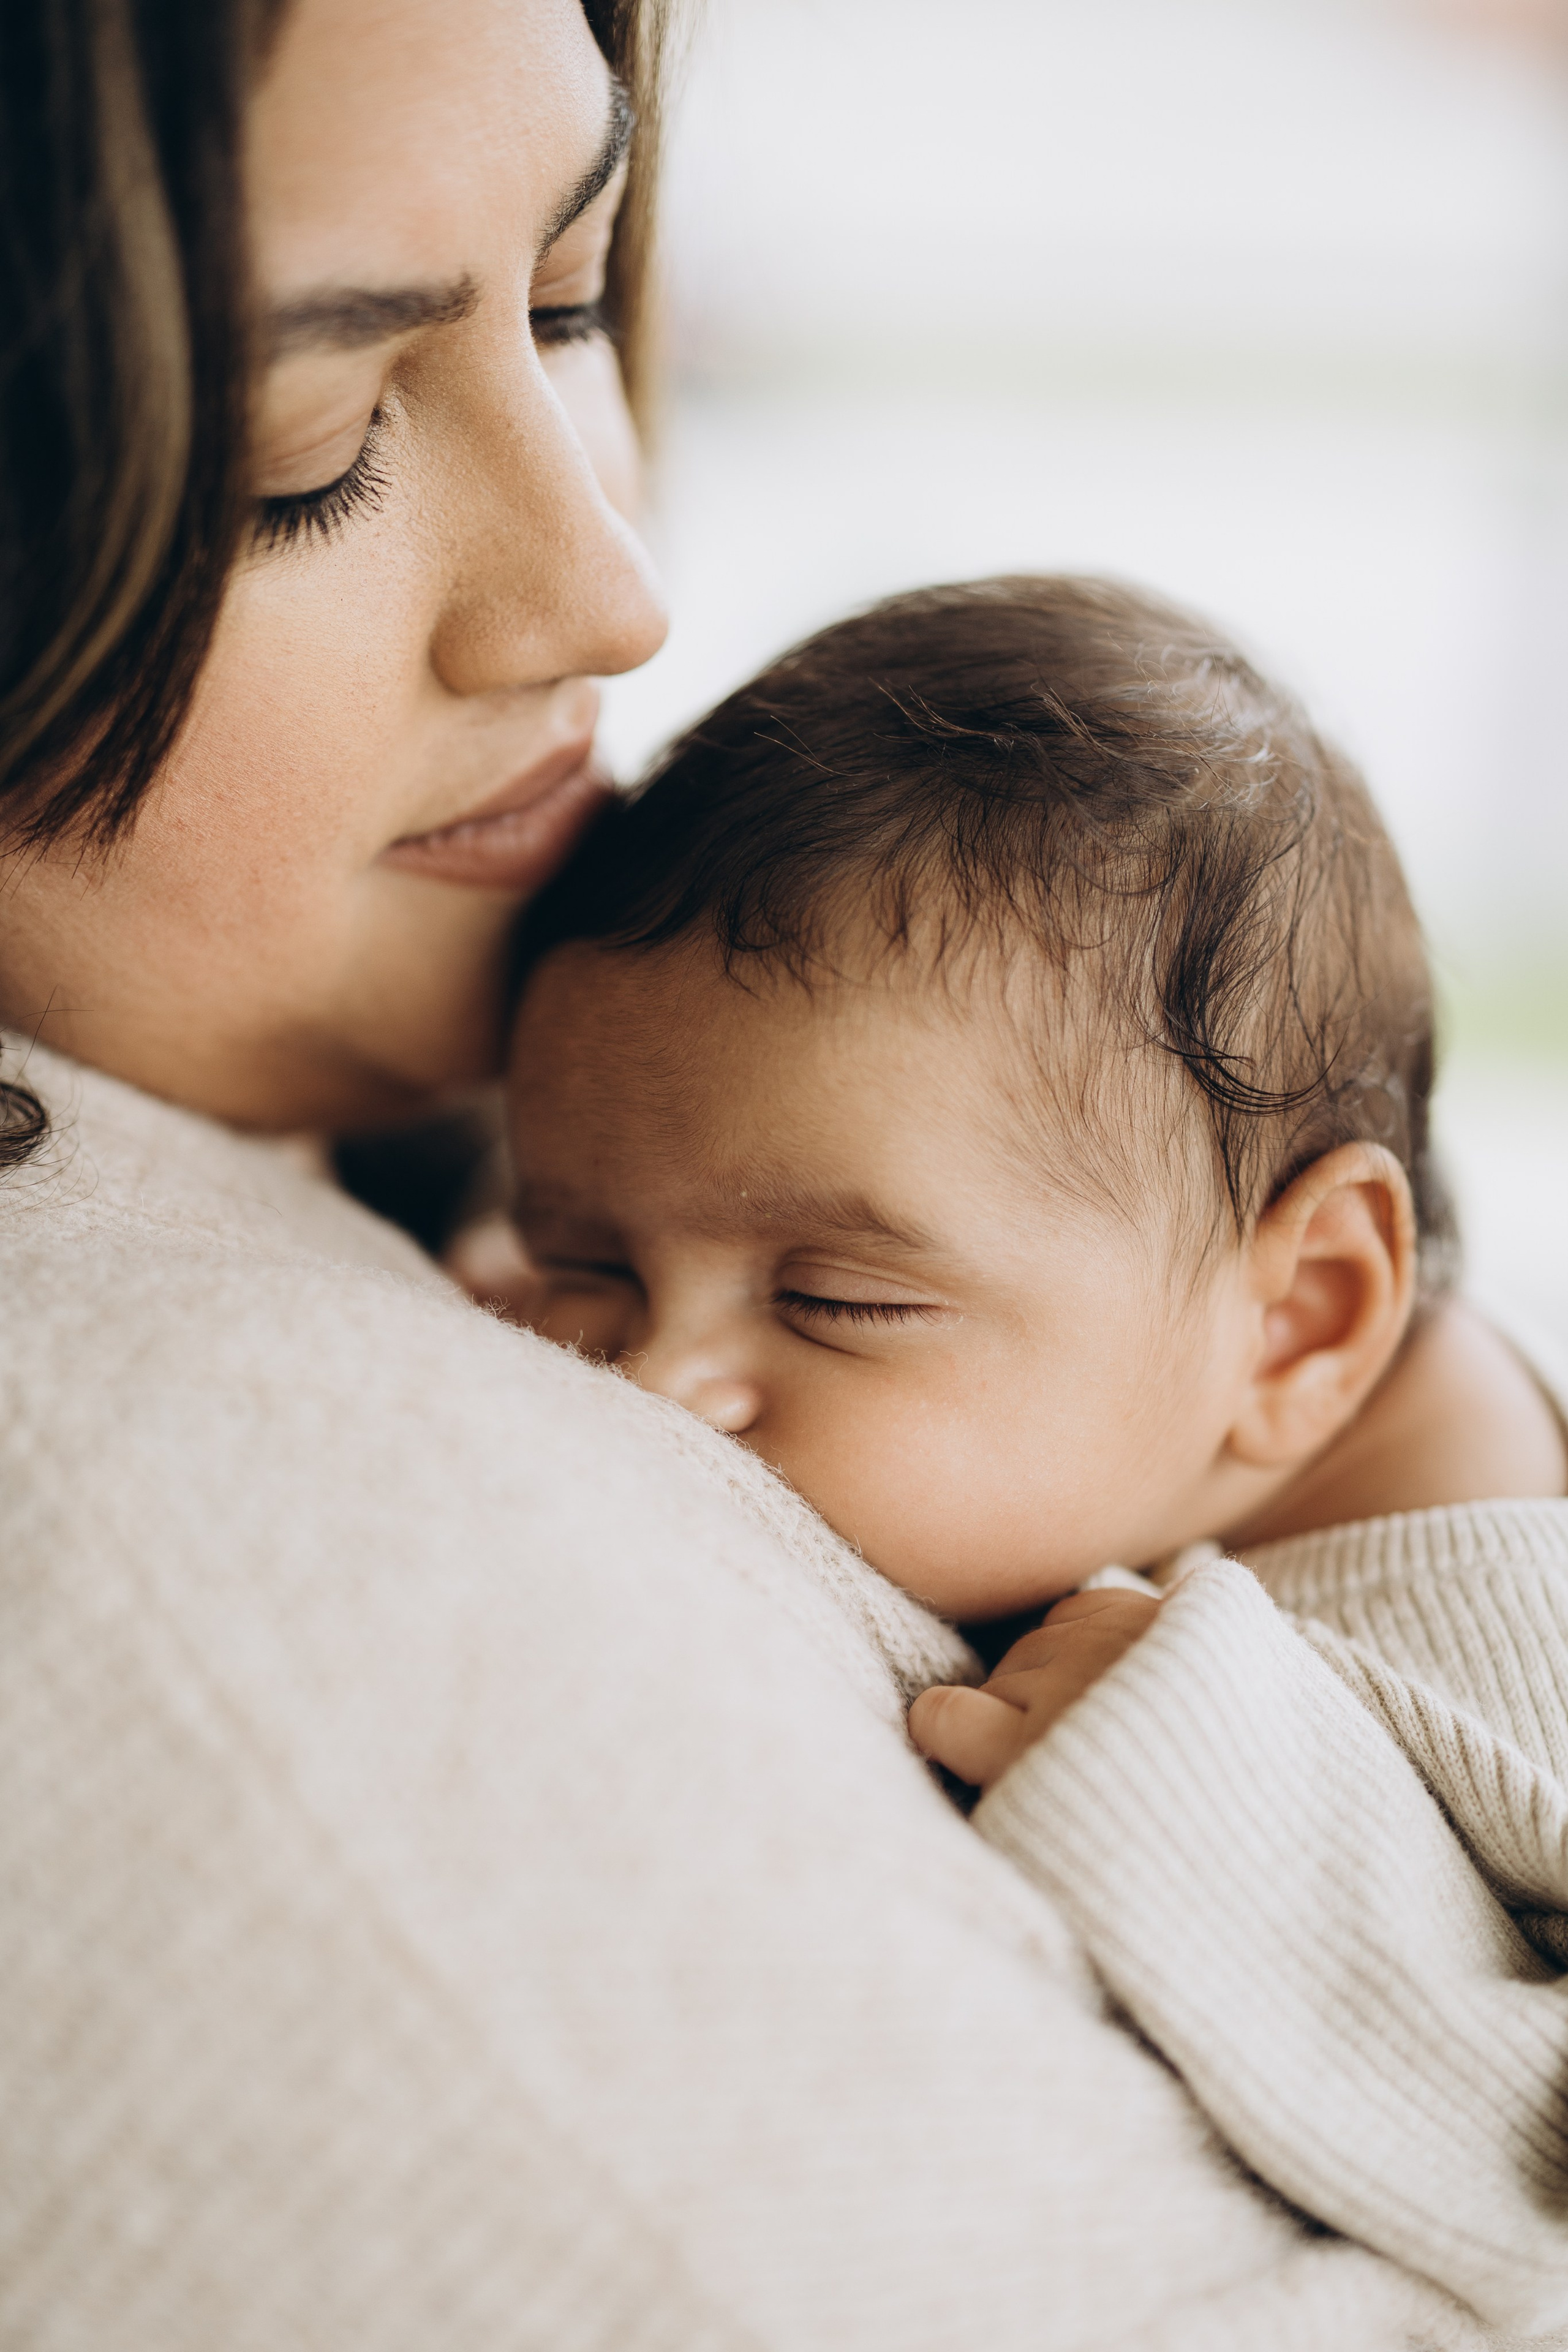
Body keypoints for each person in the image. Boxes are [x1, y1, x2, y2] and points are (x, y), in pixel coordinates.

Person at [0, 1, 1547, 2342]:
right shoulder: (174, 1578)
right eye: (304, 451)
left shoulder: (1453, 1603)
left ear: (1308, 1314)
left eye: (568, 297)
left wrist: (1247, 1814)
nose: (614, 591)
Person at [500, 575, 1568, 2332]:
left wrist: (1232, 1790)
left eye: (834, 1296)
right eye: (587, 1257)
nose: (652, 1377)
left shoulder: (1498, 1640)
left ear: (1299, 1319)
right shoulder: (1134, 1368)